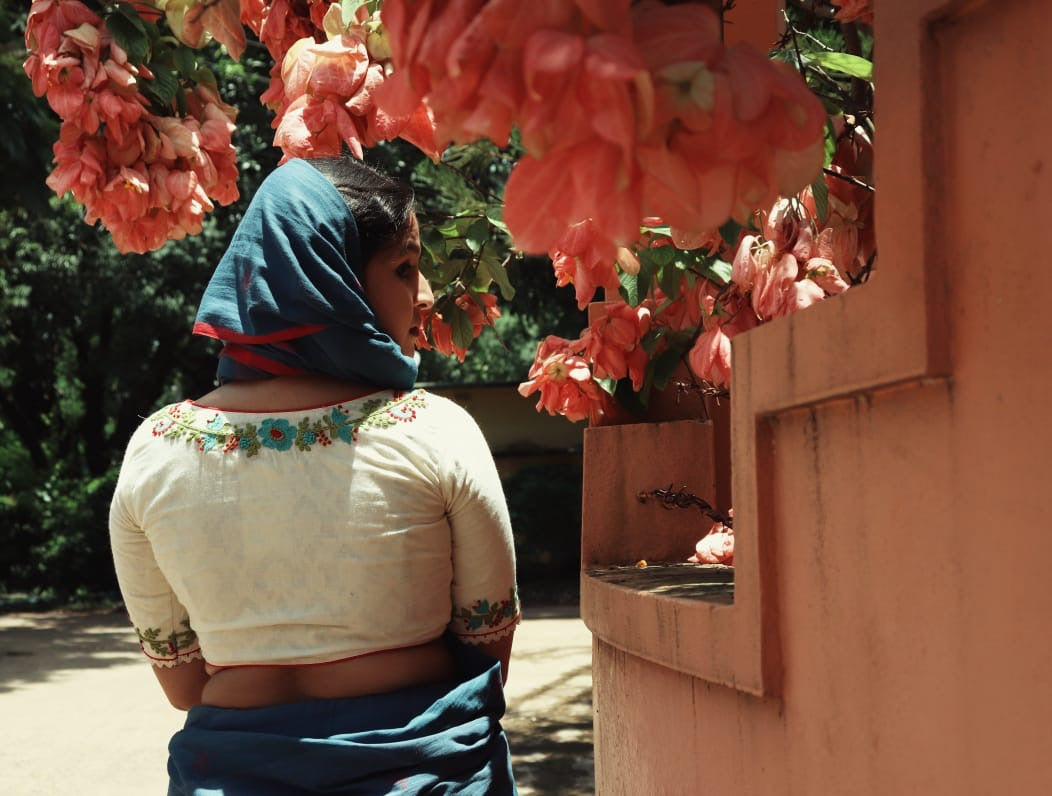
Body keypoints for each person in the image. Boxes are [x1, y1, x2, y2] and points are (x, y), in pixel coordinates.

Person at [108, 156, 520, 795]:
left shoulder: (155, 450)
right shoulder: (435, 431)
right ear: (327, 278)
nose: (429, 295)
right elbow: (488, 649)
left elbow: (184, 684)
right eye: (406, 268)